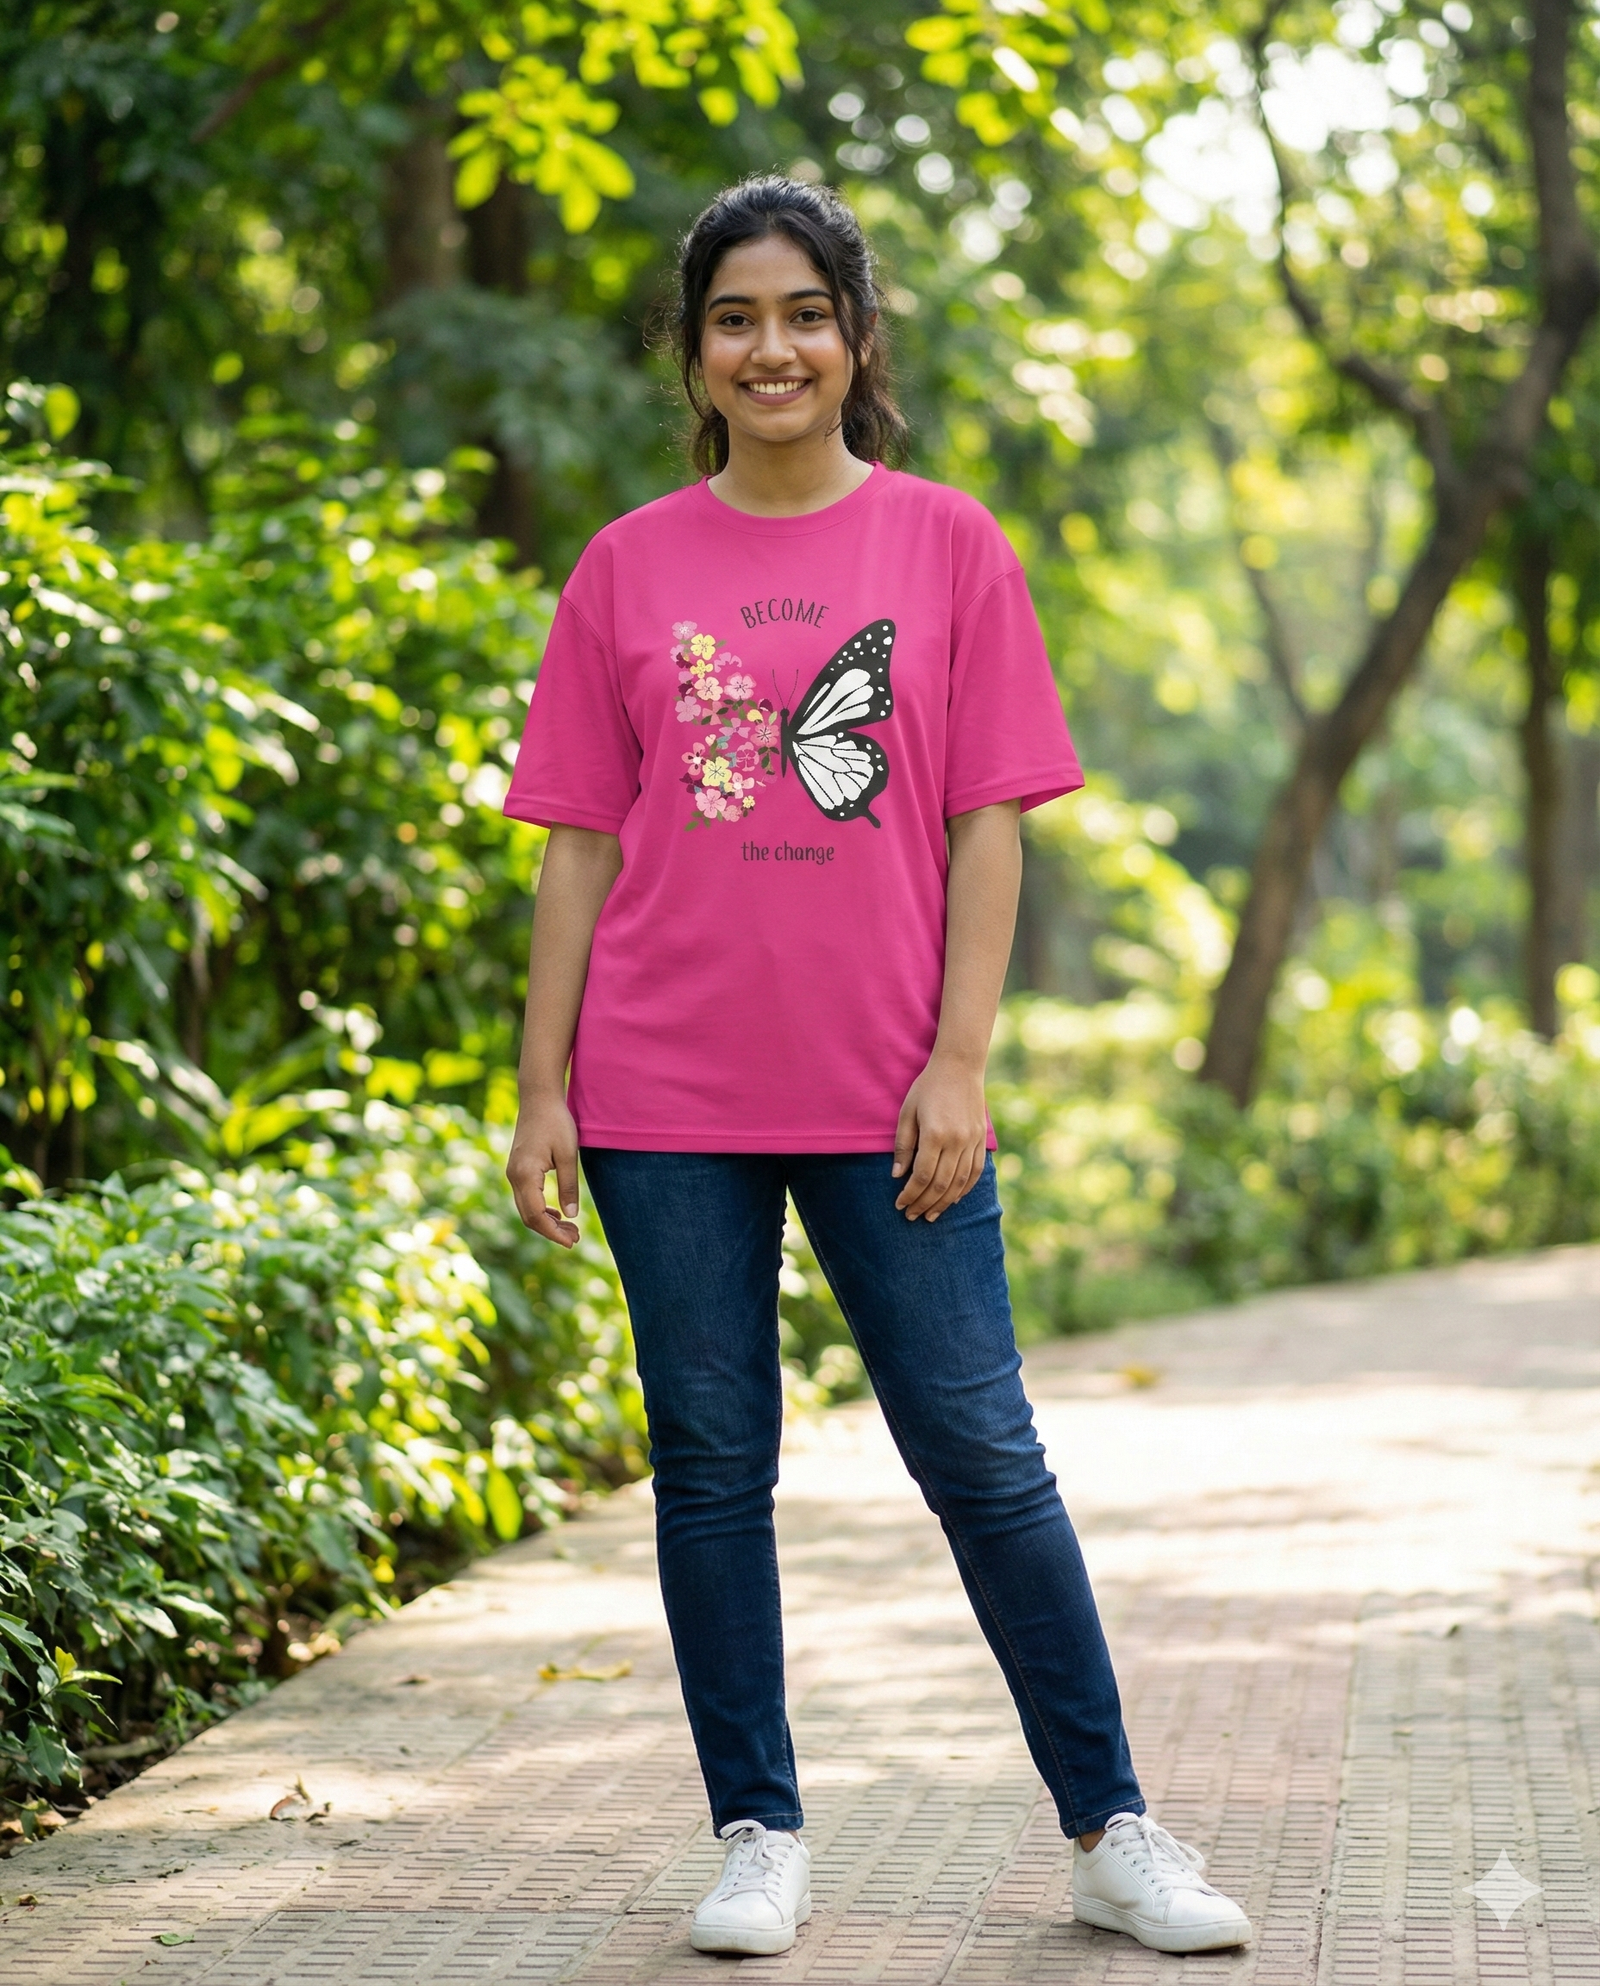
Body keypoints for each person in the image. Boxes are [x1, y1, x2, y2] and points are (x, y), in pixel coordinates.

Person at [502, 174, 1252, 1961]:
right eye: (735, 319)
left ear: (854, 337)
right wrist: (541, 1087)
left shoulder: (947, 545)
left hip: (891, 1094)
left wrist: (959, 1060)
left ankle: (1112, 1828)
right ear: (695, 353)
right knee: (710, 1464)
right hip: (663, 1094)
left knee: (984, 1453)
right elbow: (579, 846)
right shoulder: (626, 566)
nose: (772, 349)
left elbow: (990, 824)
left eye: (804, 314)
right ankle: (755, 1830)